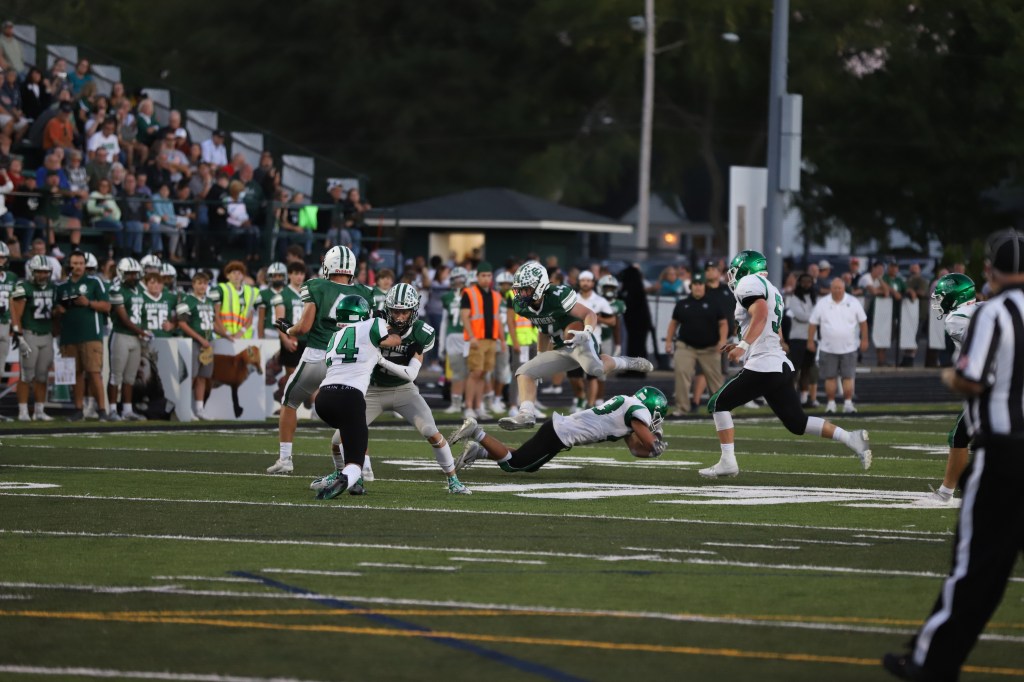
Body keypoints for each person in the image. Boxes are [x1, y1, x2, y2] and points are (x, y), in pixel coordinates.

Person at [882, 228, 1024, 682]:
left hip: (1005, 453)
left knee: (977, 568)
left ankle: (931, 662)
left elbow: (971, 378)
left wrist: (950, 378)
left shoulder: (988, 314)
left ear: (990, 269)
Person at [698, 250, 872, 478]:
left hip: (764, 366)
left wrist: (744, 345)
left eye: (734, 271)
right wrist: (743, 343)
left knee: (718, 403)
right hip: (778, 365)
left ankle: (727, 462)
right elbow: (775, 329)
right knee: (797, 423)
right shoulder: (772, 288)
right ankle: (850, 438)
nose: (731, 277)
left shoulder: (748, 283)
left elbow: (761, 313)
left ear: (745, 269)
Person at [311, 283, 472, 496]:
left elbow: (411, 374)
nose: (399, 316)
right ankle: (345, 475)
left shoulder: (422, 332)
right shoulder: (375, 323)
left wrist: (381, 359)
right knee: (337, 441)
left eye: (404, 311)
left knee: (431, 432)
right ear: (387, 308)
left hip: (403, 390)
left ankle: (453, 480)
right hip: (372, 390)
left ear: (413, 311)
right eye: (395, 311)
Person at [499, 260, 654, 430]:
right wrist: (540, 356)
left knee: (595, 369)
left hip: (579, 341)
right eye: (520, 289)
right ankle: (526, 414)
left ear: (540, 285)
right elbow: (543, 329)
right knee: (524, 372)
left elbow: (589, 314)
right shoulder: (522, 306)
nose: (521, 293)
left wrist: (586, 332)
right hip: (560, 348)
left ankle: (627, 362)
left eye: (526, 289)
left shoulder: (558, 295)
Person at [265, 245, 374, 477]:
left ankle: (285, 459)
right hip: (348, 358)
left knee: (289, 401)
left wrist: (288, 329)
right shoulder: (365, 292)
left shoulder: (315, 286)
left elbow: (304, 327)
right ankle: (364, 466)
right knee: (354, 413)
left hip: (318, 353)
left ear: (328, 266)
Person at [301, 296, 401, 499]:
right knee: (356, 461)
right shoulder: (373, 324)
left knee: (348, 434)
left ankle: (355, 482)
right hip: (350, 397)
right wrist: (392, 327)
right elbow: (393, 341)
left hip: (324, 398)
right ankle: (344, 480)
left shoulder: (335, 336)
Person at [450, 386, 669, 474]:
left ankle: (478, 451)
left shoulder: (629, 404)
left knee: (528, 462)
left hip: (559, 430)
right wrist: (655, 441)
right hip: (560, 434)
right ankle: (476, 432)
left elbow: (635, 449)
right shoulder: (638, 411)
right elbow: (643, 433)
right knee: (514, 464)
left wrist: (653, 447)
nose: (655, 420)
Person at [917, 273, 980, 506]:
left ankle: (946, 493)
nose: (939, 301)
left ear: (956, 296)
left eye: (942, 296)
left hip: (998, 385)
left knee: (962, 435)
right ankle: (946, 492)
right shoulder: (985, 307)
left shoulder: (956, 318)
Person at [54, 250, 111, 421]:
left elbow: (107, 306)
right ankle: (78, 409)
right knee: (75, 374)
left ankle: (102, 410)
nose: (78, 267)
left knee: (94, 373)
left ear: (85, 265)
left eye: (80, 263)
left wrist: (89, 303)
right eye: (75, 263)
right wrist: (58, 310)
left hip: (91, 334)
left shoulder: (94, 282)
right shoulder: (61, 287)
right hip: (69, 336)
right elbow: (56, 310)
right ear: (69, 265)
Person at [664, 271, 727, 415]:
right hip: (686, 347)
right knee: (682, 375)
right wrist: (668, 341)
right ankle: (682, 408)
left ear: (704, 286)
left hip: (710, 348)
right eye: (695, 284)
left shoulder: (713, 303)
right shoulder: (682, 304)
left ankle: (721, 408)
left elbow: (723, 323)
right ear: (691, 286)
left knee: (716, 380)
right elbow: (674, 323)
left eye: (700, 284)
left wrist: (722, 341)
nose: (698, 287)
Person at [807, 278, 869, 414]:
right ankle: (831, 403)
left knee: (848, 377)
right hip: (828, 347)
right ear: (831, 289)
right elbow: (813, 323)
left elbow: (863, 322)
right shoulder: (822, 303)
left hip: (849, 347)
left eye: (839, 288)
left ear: (844, 288)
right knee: (830, 377)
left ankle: (848, 403)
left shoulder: (853, 302)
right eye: (835, 288)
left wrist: (865, 339)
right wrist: (810, 340)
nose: (837, 290)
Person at [11, 255, 56, 421]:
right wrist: (19, 336)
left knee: (42, 376)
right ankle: (23, 411)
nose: (42, 275)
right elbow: (16, 313)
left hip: (47, 334)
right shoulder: (24, 287)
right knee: (26, 375)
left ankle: (39, 410)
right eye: (39, 272)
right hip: (30, 334)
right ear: (31, 272)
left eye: (45, 272)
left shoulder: (53, 288)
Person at [176, 271, 226, 420]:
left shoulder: (209, 301)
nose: (202, 286)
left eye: (205, 283)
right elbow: (182, 324)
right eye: (199, 283)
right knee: (191, 376)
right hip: (193, 342)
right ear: (193, 284)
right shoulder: (186, 301)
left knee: (203, 377)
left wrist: (226, 335)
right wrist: (199, 338)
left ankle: (199, 408)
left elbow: (212, 323)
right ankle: (186, 407)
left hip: (207, 343)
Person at [460, 261, 503, 420]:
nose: (486, 278)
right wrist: (471, 336)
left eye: (489, 275)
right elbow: (465, 316)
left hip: (491, 339)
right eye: (483, 275)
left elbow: (498, 319)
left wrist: (502, 340)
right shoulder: (469, 293)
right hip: (477, 339)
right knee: (475, 373)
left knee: (484, 373)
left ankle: (478, 407)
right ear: (477, 277)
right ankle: (469, 407)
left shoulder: (496, 295)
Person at [107, 257, 149, 421]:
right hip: (121, 335)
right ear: (121, 273)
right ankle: (112, 410)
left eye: (135, 273)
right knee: (115, 376)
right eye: (129, 274)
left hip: (135, 337)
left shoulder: (140, 289)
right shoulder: (116, 289)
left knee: (130, 377)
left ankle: (127, 410)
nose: (133, 277)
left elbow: (143, 314)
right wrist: (142, 332)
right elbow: (123, 318)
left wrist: (144, 329)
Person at [270, 261, 308, 391]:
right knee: (292, 378)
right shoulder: (282, 295)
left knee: (310, 379)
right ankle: (286, 400)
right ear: (290, 275)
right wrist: (285, 340)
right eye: (296, 273)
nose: (299, 277)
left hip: (307, 340)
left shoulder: (309, 294)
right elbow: (279, 320)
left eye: (302, 274)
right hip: (292, 340)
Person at [785, 272, 820, 408]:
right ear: (799, 283)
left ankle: (804, 399)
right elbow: (801, 316)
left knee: (807, 369)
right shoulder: (794, 298)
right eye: (804, 282)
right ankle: (791, 398)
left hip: (812, 338)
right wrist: (813, 317)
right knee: (794, 370)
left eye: (809, 282)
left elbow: (817, 316)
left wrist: (812, 317)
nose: (806, 284)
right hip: (797, 338)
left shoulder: (815, 298)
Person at [439, 266, 469, 415]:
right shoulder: (448, 297)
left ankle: (468, 402)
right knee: (457, 372)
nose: (458, 281)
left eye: (461, 278)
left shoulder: (471, 294)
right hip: (453, 336)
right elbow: (444, 322)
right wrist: (441, 345)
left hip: (468, 336)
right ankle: (456, 402)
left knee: (470, 372)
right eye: (456, 279)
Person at [217, 260, 258, 340]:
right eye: (233, 273)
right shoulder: (221, 289)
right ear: (227, 275)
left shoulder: (250, 292)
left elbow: (250, 316)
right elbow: (216, 316)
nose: (237, 276)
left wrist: (240, 333)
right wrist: (227, 333)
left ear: (243, 276)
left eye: (239, 273)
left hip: (244, 338)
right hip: (224, 337)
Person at [255, 262, 287, 338]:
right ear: (269, 277)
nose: (277, 278)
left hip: (287, 330)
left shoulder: (288, 293)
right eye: (274, 276)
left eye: (280, 276)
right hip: (270, 331)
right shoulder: (264, 294)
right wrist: (260, 337)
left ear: (284, 276)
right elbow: (261, 319)